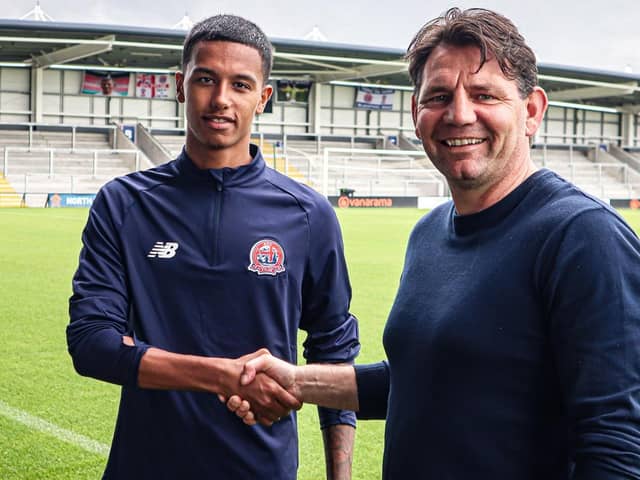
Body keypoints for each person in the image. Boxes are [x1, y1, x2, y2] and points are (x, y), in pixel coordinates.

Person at [228, 7, 640, 479]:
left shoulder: (582, 237)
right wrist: (298, 381)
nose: (459, 114)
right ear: (416, 113)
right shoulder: (429, 232)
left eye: (485, 94)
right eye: (439, 96)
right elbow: (423, 379)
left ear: (531, 111)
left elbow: (616, 448)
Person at [66, 14, 360, 480]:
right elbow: (91, 343)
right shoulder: (123, 205)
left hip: (262, 468)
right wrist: (222, 375)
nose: (221, 99)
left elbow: (333, 349)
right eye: (206, 79)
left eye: (240, 84)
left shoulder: (308, 214)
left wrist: (339, 477)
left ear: (262, 98)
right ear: (180, 86)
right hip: (144, 467)